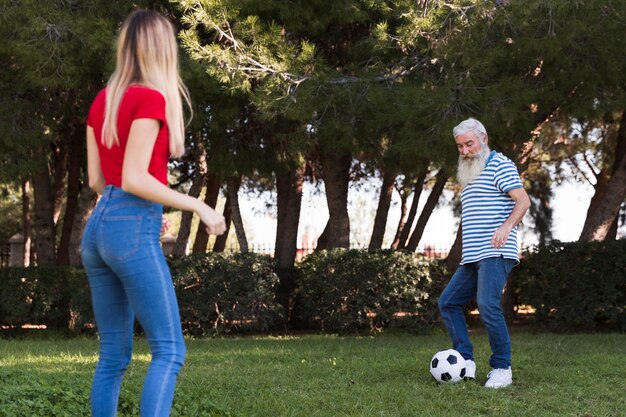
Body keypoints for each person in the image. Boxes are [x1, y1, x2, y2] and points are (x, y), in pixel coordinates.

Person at [81, 9, 226, 416]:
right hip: (128, 225)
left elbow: (98, 179)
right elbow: (134, 178)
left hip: (97, 229)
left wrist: (130, 214)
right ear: (163, 49)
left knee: (112, 357)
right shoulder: (150, 97)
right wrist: (197, 204)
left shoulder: (102, 101)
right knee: (169, 350)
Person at [438, 118, 530, 389]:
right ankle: (465, 360)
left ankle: (502, 368)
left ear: (484, 139)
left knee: (487, 304)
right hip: (472, 255)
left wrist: (506, 227)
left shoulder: (499, 164)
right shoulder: (469, 173)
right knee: (448, 302)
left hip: (496, 250)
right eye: (460, 146)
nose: (465, 150)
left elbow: (523, 200)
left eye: (469, 143)